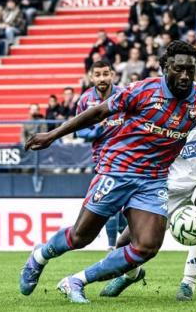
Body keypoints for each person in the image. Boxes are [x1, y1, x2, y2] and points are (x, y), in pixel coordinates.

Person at [20, 41, 196, 304]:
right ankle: (39, 257)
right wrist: (53, 135)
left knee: (147, 246)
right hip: (118, 169)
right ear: (166, 67)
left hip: (153, 178)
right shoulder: (143, 90)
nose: (185, 76)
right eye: (179, 69)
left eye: (191, 70)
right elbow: (98, 111)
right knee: (81, 236)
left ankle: (75, 281)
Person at [102, 82, 196, 301]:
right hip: (169, 180)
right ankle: (131, 275)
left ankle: (188, 283)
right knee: (124, 244)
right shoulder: (156, 99)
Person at [74, 60, 126, 250]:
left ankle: (120, 248)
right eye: (98, 75)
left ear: (112, 74)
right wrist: (96, 130)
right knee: (111, 205)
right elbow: (80, 132)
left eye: (106, 74)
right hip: (102, 159)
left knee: (119, 208)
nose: (102, 78)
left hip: (127, 157)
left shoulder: (124, 95)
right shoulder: (85, 100)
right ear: (91, 77)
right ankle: (118, 248)